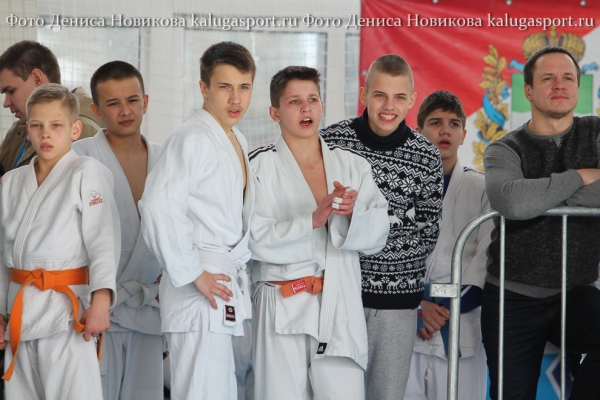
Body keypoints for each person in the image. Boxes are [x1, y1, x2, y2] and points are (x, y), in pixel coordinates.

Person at [249, 66, 389, 400]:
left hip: (338, 303)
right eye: (294, 101)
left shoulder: (352, 165)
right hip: (282, 302)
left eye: (312, 99)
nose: (306, 108)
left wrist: (353, 213)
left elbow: (379, 234)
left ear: (322, 106)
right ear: (275, 113)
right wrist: (311, 220)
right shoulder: (258, 166)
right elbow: (253, 239)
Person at [320, 54, 443, 399]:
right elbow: (320, 217)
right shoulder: (331, 142)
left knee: (385, 395)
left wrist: (364, 233)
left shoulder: (426, 155)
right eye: (380, 95)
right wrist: (391, 225)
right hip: (335, 295)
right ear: (364, 94)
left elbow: (427, 231)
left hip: (396, 302)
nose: (389, 106)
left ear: (412, 99)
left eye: (399, 97)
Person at [482, 45, 600, 400]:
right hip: (511, 296)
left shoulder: (595, 132)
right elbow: (514, 202)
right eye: (548, 78)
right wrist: (580, 176)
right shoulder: (504, 148)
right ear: (529, 91)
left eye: (568, 78)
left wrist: (542, 197)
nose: (559, 84)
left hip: (577, 291)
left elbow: (527, 201)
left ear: (578, 86)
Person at [139, 41, 255, 400]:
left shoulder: (236, 138)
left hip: (220, 280)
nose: (235, 98)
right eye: (224, 87)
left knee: (219, 390)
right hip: (199, 281)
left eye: (244, 87)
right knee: (202, 391)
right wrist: (192, 272)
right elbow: (156, 205)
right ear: (204, 88)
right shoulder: (191, 137)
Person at [0, 83, 119, 399]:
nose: (45, 134)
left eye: (56, 125)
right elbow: (3, 255)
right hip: (19, 312)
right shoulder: (11, 182)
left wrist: (101, 301)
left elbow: (103, 240)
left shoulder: (86, 172)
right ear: (27, 130)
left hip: (66, 313)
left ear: (75, 130)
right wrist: (0, 313)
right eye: (37, 126)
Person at [72, 61, 163, 400]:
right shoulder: (78, 157)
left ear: (146, 102)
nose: (125, 111)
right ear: (96, 110)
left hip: (150, 306)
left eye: (133, 100)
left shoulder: (167, 158)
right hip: (97, 308)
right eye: (113, 103)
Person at [404, 90, 491, 400]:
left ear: (464, 135)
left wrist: (441, 308)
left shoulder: (482, 188)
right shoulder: (398, 187)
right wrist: (418, 305)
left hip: (460, 328)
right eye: (435, 122)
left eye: (454, 124)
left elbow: (485, 263)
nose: (445, 130)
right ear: (418, 132)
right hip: (405, 323)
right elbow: (383, 258)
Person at [0, 40, 102, 172]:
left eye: (11, 91)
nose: (6, 103)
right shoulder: (18, 130)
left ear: (37, 78)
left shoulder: (85, 133)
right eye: (36, 126)